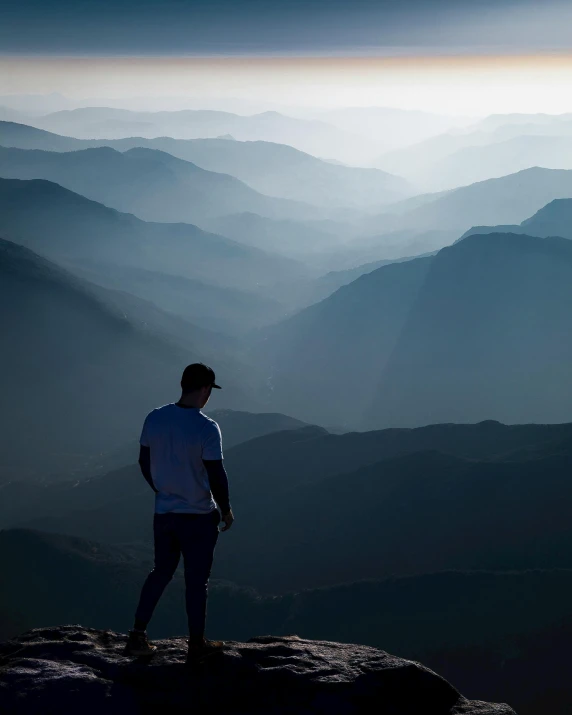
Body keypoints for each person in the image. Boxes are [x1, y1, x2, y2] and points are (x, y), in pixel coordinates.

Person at [125, 363, 234, 661]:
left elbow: (143, 461)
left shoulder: (155, 418)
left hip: (165, 514)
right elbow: (216, 474)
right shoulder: (206, 427)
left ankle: (137, 635)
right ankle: (196, 643)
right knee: (196, 581)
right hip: (198, 516)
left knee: (160, 571)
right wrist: (225, 509)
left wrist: (161, 489)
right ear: (205, 390)